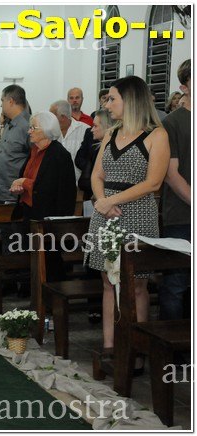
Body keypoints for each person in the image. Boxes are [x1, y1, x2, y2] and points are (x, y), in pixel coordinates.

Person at [85, 76, 170, 364]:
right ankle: (110, 347)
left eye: (112, 99)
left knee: (137, 285)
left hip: (138, 215)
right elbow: (97, 175)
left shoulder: (156, 135)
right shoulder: (111, 133)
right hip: (106, 215)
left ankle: (138, 349)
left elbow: (153, 182)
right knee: (108, 282)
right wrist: (102, 201)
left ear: (130, 100)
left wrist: (113, 201)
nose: (107, 105)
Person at [9, 112, 77, 281]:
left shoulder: (59, 154)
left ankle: (52, 292)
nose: (29, 131)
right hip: (30, 212)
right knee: (33, 261)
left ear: (47, 130)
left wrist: (24, 182)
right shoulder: (34, 151)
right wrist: (20, 188)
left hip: (49, 218)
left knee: (50, 262)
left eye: (33, 128)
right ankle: (35, 291)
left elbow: (49, 188)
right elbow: (32, 180)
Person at [159, 60, 191, 320]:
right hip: (182, 215)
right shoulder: (173, 122)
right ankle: (169, 342)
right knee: (176, 284)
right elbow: (171, 174)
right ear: (184, 87)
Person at [0, 85, 30, 204]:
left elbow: (34, 159)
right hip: (2, 191)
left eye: (2, 100)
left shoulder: (27, 126)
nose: (1, 105)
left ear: (11, 101)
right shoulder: (9, 124)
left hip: (16, 194)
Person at [76, 109, 114, 200]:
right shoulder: (95, 148)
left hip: (108, 199)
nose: (92, 130)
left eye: (95, 126)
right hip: (91, 196)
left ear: (107, 127)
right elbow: (78, 159)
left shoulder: (113, 151)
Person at [50, 99, 90, 182]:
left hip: (78, 184)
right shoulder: (50, 132)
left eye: (52, 116)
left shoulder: (85, 130)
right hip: (55, 183)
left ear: (63, 117)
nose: (50, 119)